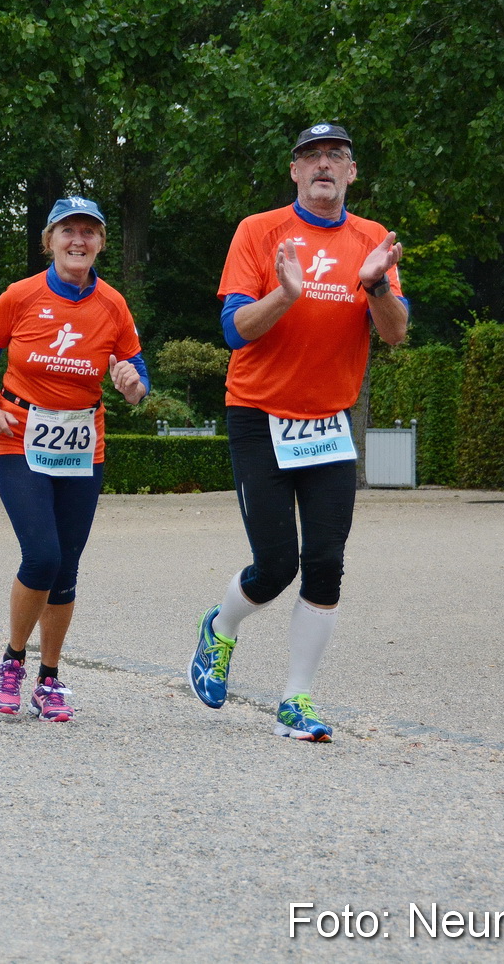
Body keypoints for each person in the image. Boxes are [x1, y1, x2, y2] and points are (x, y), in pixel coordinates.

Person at [188, 123, 406, 741]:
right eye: (311, 156)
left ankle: (297, 698)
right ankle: (221, 628)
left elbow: (394, 332)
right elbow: (234, 330)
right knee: (276, 563)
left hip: (328, 424)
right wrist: (286, 294)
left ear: (352, 172)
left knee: (327, 563)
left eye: (337, 155)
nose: (324, 166)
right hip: (258, 416)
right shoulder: (259, 232)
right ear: (293, 172)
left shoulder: (373, 241)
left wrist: (375, 284)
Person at [0, 196, 149, 722]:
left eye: (89, 232)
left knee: (66, 568)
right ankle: (12, 661)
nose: (78, 240)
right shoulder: (20, 296)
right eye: (67, 230)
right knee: (42, 556)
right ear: (48, 241)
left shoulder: (113, 305)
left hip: (81, 445)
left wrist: (133, 384)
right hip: (19, 436)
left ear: (100, 243)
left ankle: (49, 678)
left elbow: (137, 375)